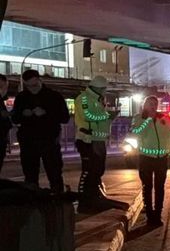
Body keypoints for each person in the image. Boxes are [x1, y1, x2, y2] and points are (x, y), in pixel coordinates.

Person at [11, 69, 69, 192]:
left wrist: (46, 113)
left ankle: (58, 198)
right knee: (30, 175)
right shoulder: (22, 98)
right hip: (28, 142)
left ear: (39, 80)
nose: (33, 89)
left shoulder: (54, 96)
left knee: (54, 173)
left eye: (35, 85)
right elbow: (15, 119)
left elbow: (64, 117)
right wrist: (23, 114)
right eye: (29, 86)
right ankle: (33, 202)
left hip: (49, 140)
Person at [129, 96, 170, 226]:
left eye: (155, 103)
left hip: (161, 158)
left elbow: (169, 134)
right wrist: (148, 119)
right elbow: (136, 132)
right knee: (147, 187)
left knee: (160, 187)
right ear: (144, 105)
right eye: (150, 103)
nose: (153, 106)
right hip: (146, 158)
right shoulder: (138, 118)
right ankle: (149, 215)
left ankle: (158, 214)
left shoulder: (163, 118)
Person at [74, 75, 117, 205]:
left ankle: (94, 196)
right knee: (89, 170)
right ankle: (85, 200)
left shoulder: (98, 100)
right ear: (98, 88)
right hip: (87, 139)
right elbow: (88, 115)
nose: (105, 91)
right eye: (104, 88)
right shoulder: (84, 99)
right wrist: (106, 115)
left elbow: (99, 120)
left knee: (98, 169)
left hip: (97, 139)